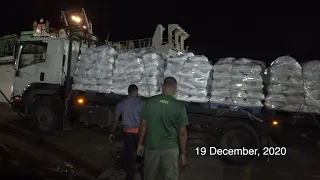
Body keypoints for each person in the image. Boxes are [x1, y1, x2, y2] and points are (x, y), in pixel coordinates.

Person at [137, 77, 189, 180]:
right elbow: (182, 132)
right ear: (175, 89)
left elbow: (143, 125)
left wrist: (140, 144)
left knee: (149, 176)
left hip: (152, 147)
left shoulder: (150, 102)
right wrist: (183, 152)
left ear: (162, 86)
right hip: (170, 148)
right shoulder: (179, 107)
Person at [109, 84, 145, 180]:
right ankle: (144, 176)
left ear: (128, 92)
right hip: (139, 133)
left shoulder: (122, 103)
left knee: (129, 158)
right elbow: (146, 120)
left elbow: (116, 119)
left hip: (128, 133)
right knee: (142, 157)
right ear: (137, 92)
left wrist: (111, 132)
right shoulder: (142, 103)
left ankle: (130, 177)